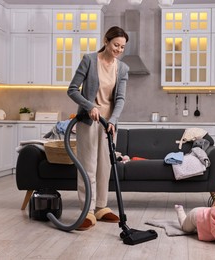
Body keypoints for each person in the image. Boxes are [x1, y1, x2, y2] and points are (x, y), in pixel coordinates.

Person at [67, 26, 129, 231]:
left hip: (108, 125)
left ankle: (101, 206)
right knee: (88, 166)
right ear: (106, 41)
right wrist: (89, 106)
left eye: (122, 47)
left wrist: (113, 120)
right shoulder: (89, 60)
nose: (119, 49)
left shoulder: (122, 69)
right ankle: (88, 210)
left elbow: (120, 99)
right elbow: (72, 90)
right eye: (115, 45)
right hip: (88, 121)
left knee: (105, 166)